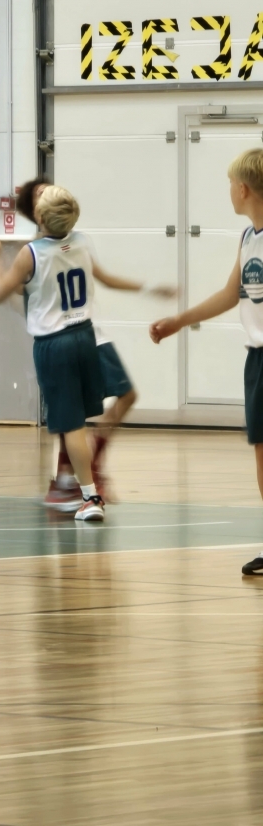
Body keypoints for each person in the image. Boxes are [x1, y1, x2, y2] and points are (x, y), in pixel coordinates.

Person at [16, 177, 175, 509]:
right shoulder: (32, 254)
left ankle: (90, 464)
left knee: (126, 395)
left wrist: (148, 288)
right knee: (70, 414)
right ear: (36, 212)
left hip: (90, 334)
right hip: (63, 339)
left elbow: (103, 276)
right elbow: (19, 299)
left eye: (50, 191)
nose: (48, 195)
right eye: (40, 194)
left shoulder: (76, 242)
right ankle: (69, 480)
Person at [150, 147, 263, 576]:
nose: (229, 192)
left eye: (230, 184)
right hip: (257, 360)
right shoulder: (249, 237)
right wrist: (180, 320)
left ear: (243, 188)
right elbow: (229, 293)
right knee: (261, 455)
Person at [0, 185, 105, 522]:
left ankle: (90, 496)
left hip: (56, 344)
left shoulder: (31, 252)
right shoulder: (81, 241)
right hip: (84, 335)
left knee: (71, 427)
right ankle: (77, 485)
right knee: (77, 422)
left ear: (39, 217)